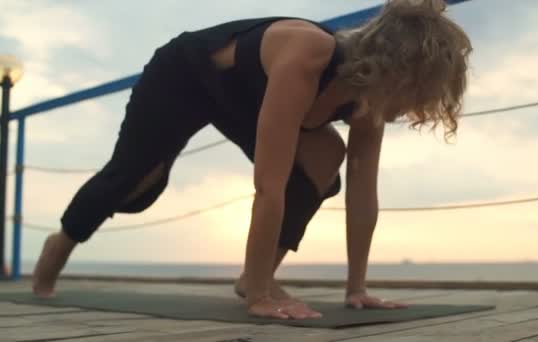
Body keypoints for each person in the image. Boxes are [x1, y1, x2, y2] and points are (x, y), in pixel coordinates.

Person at [32, 0, 472, 320]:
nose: (417, 107)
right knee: (135, 181)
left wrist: (356, 289)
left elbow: (362, 196)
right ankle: (63, 243)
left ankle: (252, 275)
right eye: (419, 92)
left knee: (325, 161)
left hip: (251, 98)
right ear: (394, 69)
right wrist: (261, 299)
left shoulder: (368, 101)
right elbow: (269, 186)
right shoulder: (309, 54)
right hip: (186, 77)